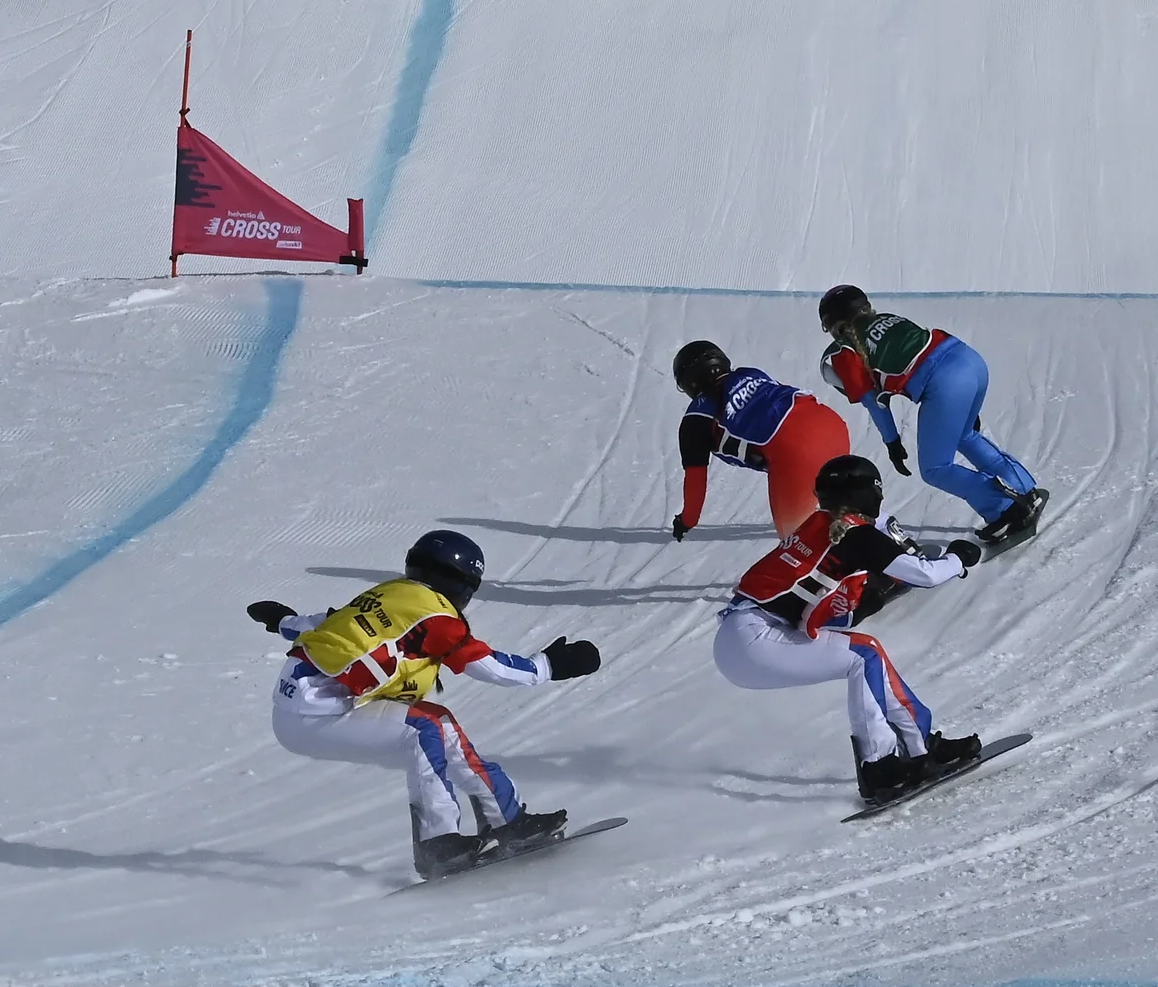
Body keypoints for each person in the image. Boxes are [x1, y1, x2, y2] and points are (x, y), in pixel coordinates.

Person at [251, 529, 600, 879]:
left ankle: (507, 822)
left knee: (440, 725)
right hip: (315, 714)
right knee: (424, 728)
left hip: (305, 708)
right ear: (462, 585)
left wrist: (281, 621)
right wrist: (548, 666)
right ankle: (438, 844)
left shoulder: (390, 595)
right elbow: (489, 666)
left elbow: (326, 623)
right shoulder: (437, 618)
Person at [713, 453, 986, 804]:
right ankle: (880, 767)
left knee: (867, 653)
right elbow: (926, 575)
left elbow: (813, 594)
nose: (881, 498)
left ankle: (919, 746)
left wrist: (864, 599)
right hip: (755, 636)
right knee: (863, 655)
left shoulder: (821, 524)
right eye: (878, 490)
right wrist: (958, 559)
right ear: (866, 493)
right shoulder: (856, 535)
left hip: (743, 637)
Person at [816, 284, 1046, 546]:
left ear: (832, 324)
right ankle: (1025, 487)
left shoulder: (844, 350)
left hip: (945, 382)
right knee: (965, 435)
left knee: (935, 468)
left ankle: (1007, 509)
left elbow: (874, 402)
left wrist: (892, 442)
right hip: (969, 360)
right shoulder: (886, 318)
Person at [669, 339, 852, 536]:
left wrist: (687, 521)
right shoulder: (750, 373)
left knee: (800, 546)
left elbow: (696, 480)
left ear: (690, 383)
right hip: (831, 424)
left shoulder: (695, 418)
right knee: (848, 519)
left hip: (796, 453)